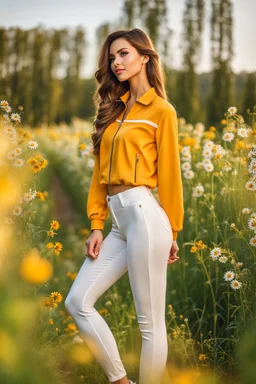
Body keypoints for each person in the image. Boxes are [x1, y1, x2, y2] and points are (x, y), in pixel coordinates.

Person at [65, 28, 184, 384]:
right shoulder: (112, 109)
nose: (116, 63)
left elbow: (171, 176)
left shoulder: (161, 111)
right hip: (117, 221)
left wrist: (174, 231)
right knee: (77, 301)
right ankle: (120, 381)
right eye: (112, 57)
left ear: (145, 57)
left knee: (149, 322)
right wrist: (97, 224)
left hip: (146, 217)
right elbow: (99, 175)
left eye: (124, 54)